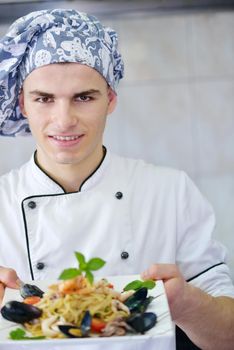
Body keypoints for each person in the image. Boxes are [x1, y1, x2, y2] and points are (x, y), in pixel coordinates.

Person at [0, 8, 233, 350]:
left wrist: (185, 303)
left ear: (110, 99)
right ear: (23, 103)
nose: (63, 120)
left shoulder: (170, 192)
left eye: (84, 97)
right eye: (44, 99)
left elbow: (227, 337)